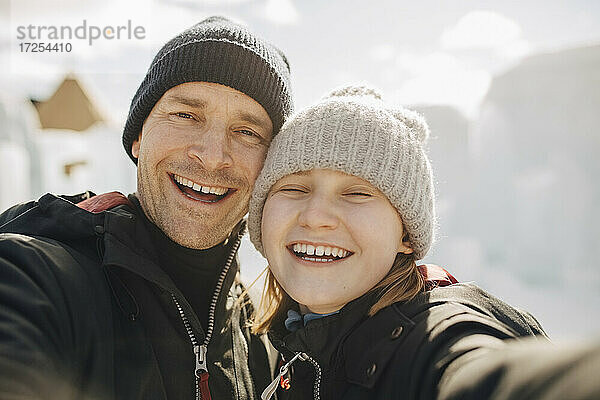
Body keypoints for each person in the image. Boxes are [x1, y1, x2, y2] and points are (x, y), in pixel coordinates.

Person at [0, 16, 292, 400]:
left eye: (247, 132)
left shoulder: (259, 334)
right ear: (138, 137)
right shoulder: (33, 275)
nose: (211, 156)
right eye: (186, 115)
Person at [247, 85, 600, 400]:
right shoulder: (281, 342)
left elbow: (479, 371)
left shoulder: (437, 334)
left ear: (405, 234)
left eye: (357, 193)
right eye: (293, 189)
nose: (316, 215)